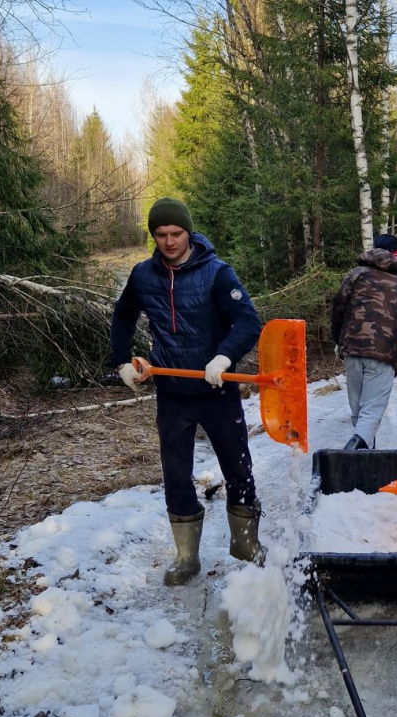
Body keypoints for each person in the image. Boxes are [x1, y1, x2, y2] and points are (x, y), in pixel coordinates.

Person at [111, 197, 266, 586]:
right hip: (173, 393)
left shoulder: (217, 273)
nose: (169, 241)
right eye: (161, 234)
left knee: (238, 468)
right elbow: (123, 315)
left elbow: (248, 320)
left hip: (217, 391)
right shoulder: (143, 275)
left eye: (176, 233)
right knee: (176, 475)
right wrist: (122, 361)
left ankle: (246, 543)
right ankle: (186, 557)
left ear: (188, 232)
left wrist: (224, 357)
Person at [331, 233, 397, 450]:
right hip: (383, 355)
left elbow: (338, 309)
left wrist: (339, 341)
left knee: (359, 412)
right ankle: (351, 453)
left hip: (352, 351)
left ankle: (365, 456)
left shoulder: (355, 275)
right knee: (371, 413)